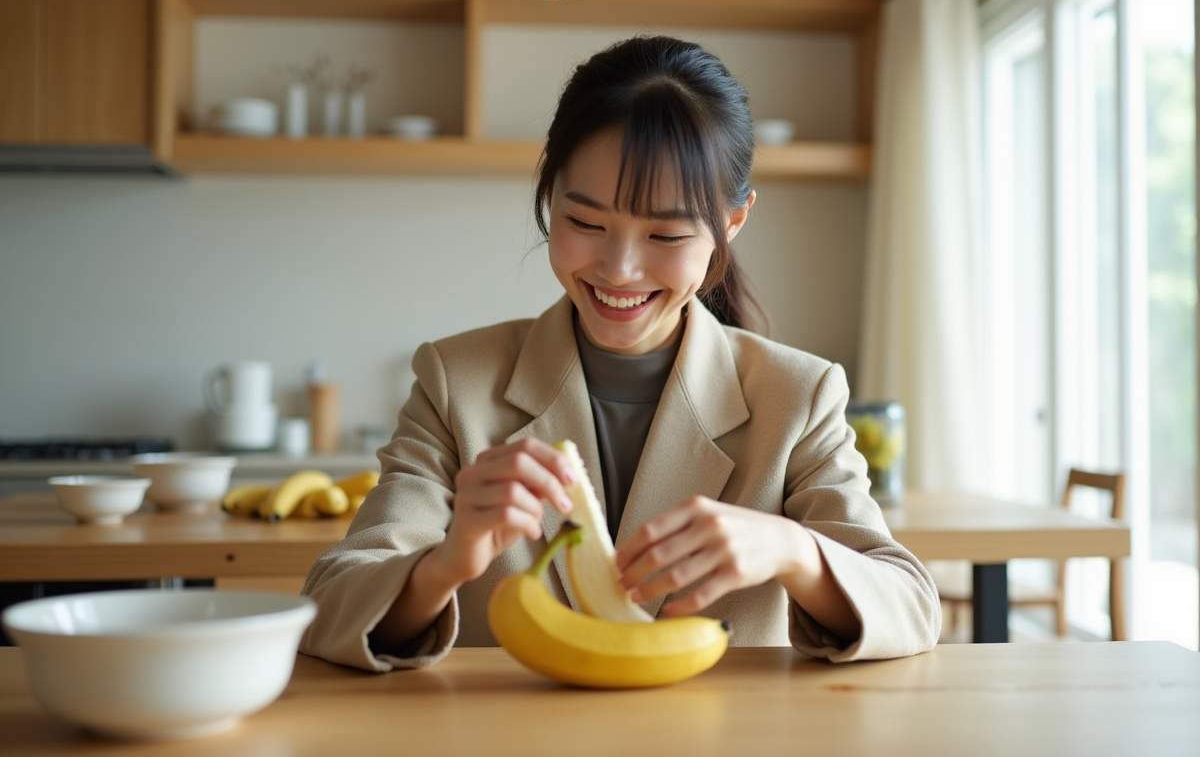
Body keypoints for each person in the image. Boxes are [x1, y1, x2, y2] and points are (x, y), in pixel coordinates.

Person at [300, 35, 941, 671]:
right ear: (549, 194)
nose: (619, 269)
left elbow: (910, 605)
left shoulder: (798, 396)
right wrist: (442, 566)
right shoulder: (455, 383)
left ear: (732, 223)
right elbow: (329, 602)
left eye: (666, 234)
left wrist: (793, 550)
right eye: (585, 223)